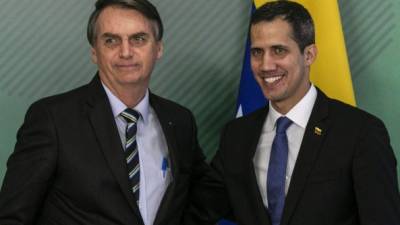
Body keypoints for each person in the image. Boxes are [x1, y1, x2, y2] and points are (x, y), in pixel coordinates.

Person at [184, 1, 400, 225]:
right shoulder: (237, 135)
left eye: (279, 50)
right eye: (257, 52)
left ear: (309, 55)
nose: (266, 65)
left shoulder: (360, 132)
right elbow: (199, 210)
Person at [0, 0, 208, 224]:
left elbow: (200, 200)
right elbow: (11, 217)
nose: (126, 52)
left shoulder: (179, 121)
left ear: (158, 48)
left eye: (138, 39)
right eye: (111, 40)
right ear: (94, 53)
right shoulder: (53, 119)